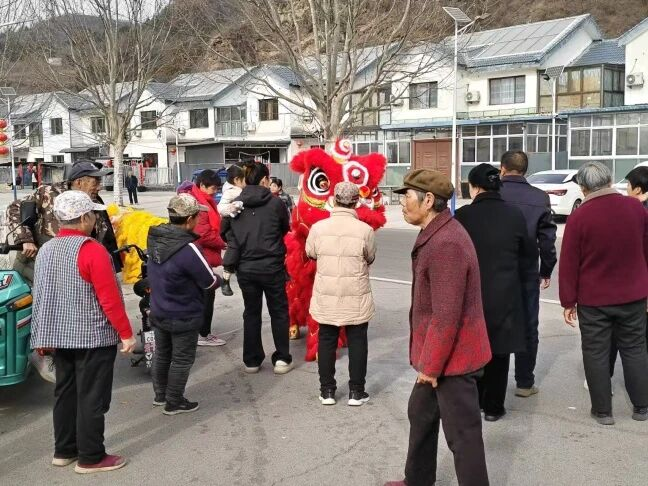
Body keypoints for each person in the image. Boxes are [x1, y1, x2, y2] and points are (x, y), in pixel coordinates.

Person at [384, 169, 491, 486]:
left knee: (463, 436)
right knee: (420, 413)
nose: (402, 202)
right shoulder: (436, 232)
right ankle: (417, 479)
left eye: (407, 196)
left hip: (453, 359)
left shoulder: (446, 243)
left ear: (428, 200)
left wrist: (430, 368)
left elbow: (446, 315)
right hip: (438, 354)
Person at [30, 190, 136, 474]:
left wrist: (41, 336)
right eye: (92, 215)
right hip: (92, 335)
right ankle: (91, 456)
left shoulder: (46, 250)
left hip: (58, 335)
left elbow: (41, 296)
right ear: (85, 217)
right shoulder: (92, 250)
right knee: (92, 397)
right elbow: (109, 298)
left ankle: (64, 450)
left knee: (65, 392)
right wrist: (126, 333)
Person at [6, 160, 120, 384]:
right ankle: (44, 354)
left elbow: (104, 236)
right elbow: (14, 208)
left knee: (72, 313)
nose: (99, 185)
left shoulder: (94, 201)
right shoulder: (48, 192)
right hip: (40, 263)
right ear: (79, 181)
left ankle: (69, 355)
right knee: (47, 310)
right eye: (95, 181)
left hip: (76, 267)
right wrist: (25, 239)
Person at [559, 161, 648, 425]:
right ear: (609, 181)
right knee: (635, 349)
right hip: (633, 295)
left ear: (583, 188)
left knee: (596, 352)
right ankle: (642, 407)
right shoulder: (635, 208)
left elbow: (569, 263)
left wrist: (568, 301)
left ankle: (602, 411)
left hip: (594, 299)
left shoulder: (579, 217)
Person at [455, 163, 535, 422]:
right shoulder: (514, 214)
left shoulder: (462, 216)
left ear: (474, 187)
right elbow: (528, 255)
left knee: (473, 349)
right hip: (505, 295)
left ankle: (476, 401)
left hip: (470, 295)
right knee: (500, 353)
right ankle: (493, 408)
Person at [147, 193, 222, 415]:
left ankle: (161, 395)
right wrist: (220, 279)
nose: (199, 220)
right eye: (197, 216)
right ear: (189, 220)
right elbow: (209, 281)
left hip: (159, 308)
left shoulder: (155, 238)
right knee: (181, 359)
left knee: (163, 354)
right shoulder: (188, 248)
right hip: (183, 312)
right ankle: (174, 401)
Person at [306, 182, 376, 407]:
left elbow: (310, 253)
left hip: (327, 293)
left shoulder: (318, 228)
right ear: (356, 202)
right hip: (356, 293)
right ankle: (357, 391)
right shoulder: (365, 230)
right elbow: (370, 256)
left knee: (327, 339)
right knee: (357, 341)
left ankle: (327, 391)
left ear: (334, 200)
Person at [499, 150, 557, 398]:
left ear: (502, 168)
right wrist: (546, 270)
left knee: (496, 324)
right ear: (525, 170)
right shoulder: (539, 197)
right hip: (527, 272)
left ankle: (493, 387)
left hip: (494, 273)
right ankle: (524, 382)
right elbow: (547, 240)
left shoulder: (493, 194)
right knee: (528, 326)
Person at [228, 162, 293, 374]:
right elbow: (285, 227)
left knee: (251, 312)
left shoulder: (236, 204)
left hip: (246, 266)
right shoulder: (276, 203)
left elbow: (226, 232)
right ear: (264, 179)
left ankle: (252, 360)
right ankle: (282, 358)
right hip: (272, 265)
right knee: (279, 311)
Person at [178, 169, 227, 347]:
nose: (215, 191)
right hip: (199, 256)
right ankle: (202, 334)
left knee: (200, 295)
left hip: (198, 254)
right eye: (213, 188)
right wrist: (223, 243)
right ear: (202, 186)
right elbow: (203, 234)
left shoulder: (201, 199)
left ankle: (197, 332)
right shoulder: (198, 204)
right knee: (207, 292)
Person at [217, 163, 246, 297]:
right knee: (233, 249)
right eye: (244, 179)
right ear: (237, 180)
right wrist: (233, 207)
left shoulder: (239, 190)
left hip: (239, 225)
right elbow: (221, 208)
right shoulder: (231, 191)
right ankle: (225, 281)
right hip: (231, 225)